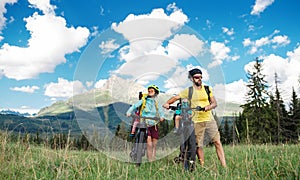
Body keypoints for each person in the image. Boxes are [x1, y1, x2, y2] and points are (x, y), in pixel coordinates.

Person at [163, 68, 227, 167]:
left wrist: (208, 107)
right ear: (192, 79)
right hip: (196, 121)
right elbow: (175, 98)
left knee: (217, 142)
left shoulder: (207, 89)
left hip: (209, 119)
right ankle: (202, 165)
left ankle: (224, 166)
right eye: (197, 77)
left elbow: (214, 103)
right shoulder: (188, 91)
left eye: (201, 77)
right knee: (198, 146)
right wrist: (167, 103)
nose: (199, 79)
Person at [126, 85, 165, 161]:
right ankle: (150, 161)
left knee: (154, 144)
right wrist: (129, 111)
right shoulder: (144, 100)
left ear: (155, 93)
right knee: (149, 144)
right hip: (144, 123)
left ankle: (153, 160)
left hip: (154, 125)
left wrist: (162, 116)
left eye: (152, 91)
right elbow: (134, 106)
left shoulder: (156, 103)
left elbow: (160, 111)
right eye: (149, 91)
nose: (150, 92)